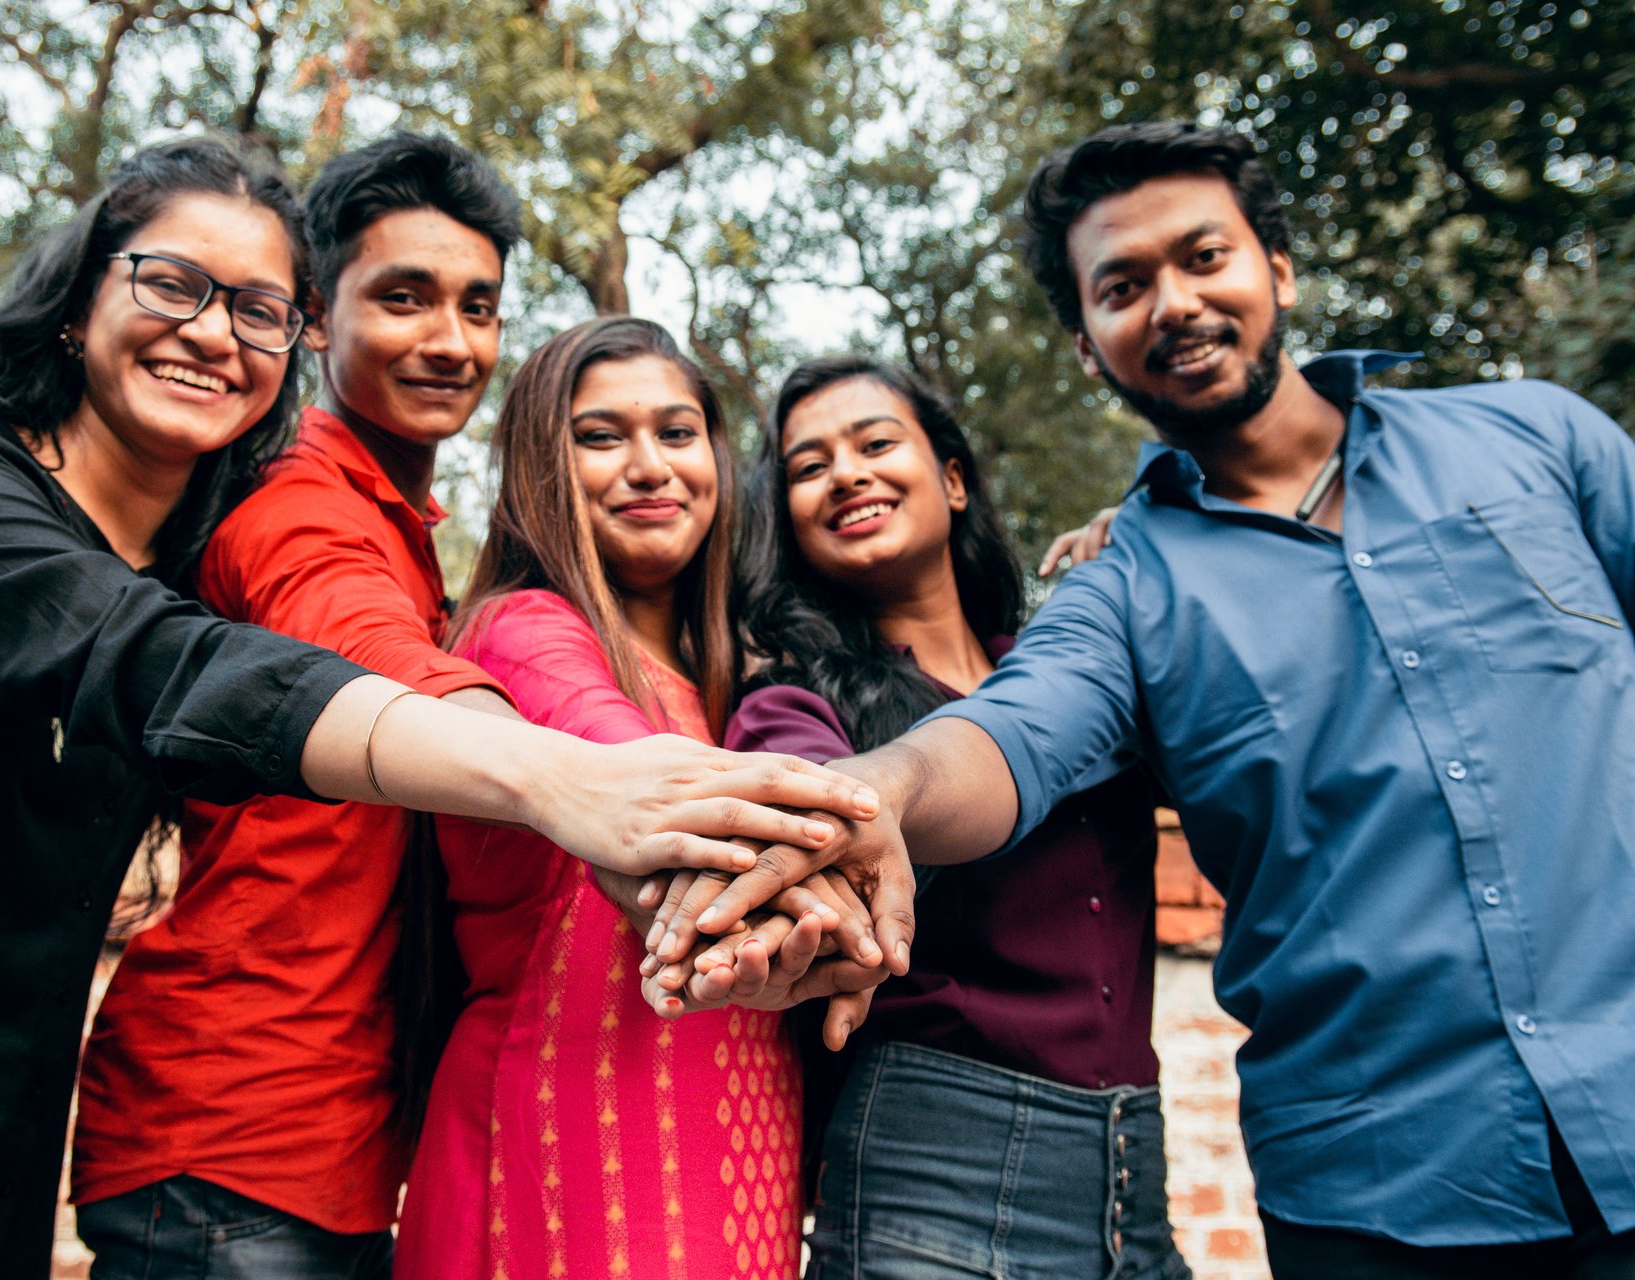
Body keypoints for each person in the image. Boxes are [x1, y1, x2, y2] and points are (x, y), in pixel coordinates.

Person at [0, 138, 880, 1280]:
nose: (214, 330)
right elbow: (219, 658)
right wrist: (567, 776)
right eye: (173, 284)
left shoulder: (220, 537)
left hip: (6, 1130)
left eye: (256, 308)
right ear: (79, 299)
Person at [671, 121, 1635, 1280]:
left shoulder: (1538, 440)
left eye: (1203, 256)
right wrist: (873, 791)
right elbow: (1006, 737)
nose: (1172, 301)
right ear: (1088, 343)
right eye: (1124, 286)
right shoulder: (1125, 592)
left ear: (1276, 267)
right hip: (1386, 1195)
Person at [70, 131, 523, 1280]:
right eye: (405, 298)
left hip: (323, 1139)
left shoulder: (402, 527)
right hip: (234, 1127)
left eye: (479, 307)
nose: (449, 340)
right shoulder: (292, 495)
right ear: (317, 317)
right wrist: (580, 778)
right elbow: (358, 642)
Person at [394, 318, 863, 1280]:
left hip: (742, 1148)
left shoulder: (734, 672)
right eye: (601, 437)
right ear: (539, 466)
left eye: (678, 434)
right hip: (566, 1145)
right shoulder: (520, 631)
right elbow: (656, 783)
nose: (651, 467)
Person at [725, 354, 1188, 1280]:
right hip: (932, 1177)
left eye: (874, 443)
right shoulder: (790, 701)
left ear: (955, 479)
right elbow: (814, 825)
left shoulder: (1074, 673)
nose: (846, 473)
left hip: (1133, 1173)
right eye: (809, 467)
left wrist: (1147, 545)